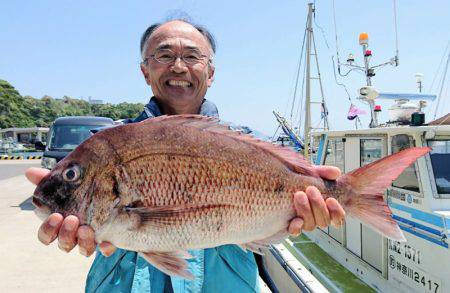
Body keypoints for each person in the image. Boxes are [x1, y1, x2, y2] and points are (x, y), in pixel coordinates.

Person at [25, 19, 345, 292]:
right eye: (164, 55)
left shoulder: (248, 143)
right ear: (145, 71)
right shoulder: (108, 145)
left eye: (192, 56)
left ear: (210, 71)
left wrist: (315, 204)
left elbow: (286, 206)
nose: (178, 66)